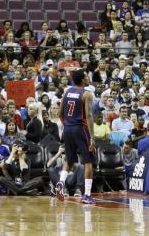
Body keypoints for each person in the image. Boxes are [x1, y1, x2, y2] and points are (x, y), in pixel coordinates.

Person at [54, 69, 96, 204]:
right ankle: (88, 195)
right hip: (80, 128)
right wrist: (92, 138)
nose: (88, 77)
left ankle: (60, 183)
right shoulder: (87, 94)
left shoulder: (67, 92)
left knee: (70, 160)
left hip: (67, 128)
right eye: (86, 76)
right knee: (88, 161)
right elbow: (89, 116)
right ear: (82, 79)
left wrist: (67, 125)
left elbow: (60, 113)